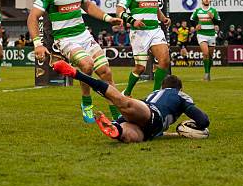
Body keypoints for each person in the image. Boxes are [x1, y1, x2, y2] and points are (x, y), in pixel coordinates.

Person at [27, 0, 123, 123]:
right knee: (87, 65)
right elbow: (32, 17)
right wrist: (37, 44)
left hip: (84, 35)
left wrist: (108, 18)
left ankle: (117, 111)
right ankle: (86, 102)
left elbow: (87, 5)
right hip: (65, 39)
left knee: (105, 72)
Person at [53, 61, 209, 143]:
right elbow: (203, 120)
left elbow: (135, 111)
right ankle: (76, 74)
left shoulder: (154, 94)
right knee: (123, 104)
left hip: (148, 114)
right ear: (180, 88)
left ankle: (116, 128)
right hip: (152, 123)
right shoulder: (180, 95)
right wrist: (191, 126)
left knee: (124, 108)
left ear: (162, 87)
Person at [116, 0, 171, 96]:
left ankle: (155, 93)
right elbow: (119, 11)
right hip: (139, 33)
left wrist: (164, 19)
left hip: (155, 30)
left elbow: (156, 10)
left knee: (165, 60)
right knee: (140, 68)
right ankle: (127, 92)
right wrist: (132, 21)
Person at [190, 0, 221, 81]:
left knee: (210, 55)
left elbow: (218, 22)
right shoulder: (198, 10)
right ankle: (206, 74)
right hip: (201, 35)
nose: (206, 0)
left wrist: (213, 18)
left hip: (211, 34)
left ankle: (208, 72)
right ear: (202, 0)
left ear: (210, 0)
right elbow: (192, 19)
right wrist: (196, 25)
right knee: (206, 53)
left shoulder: (213, 10)